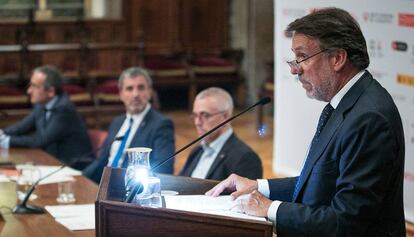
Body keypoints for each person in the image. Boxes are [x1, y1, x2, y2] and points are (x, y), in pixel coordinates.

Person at [206, 8, 405, 237]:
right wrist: (259, 186)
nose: (293, 69)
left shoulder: (369, 118)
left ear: (337, 58)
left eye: (302, 57)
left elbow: (346, 223)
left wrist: (270, 208)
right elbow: (321, 183)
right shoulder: (346, 103)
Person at [83, 67, 175, 183]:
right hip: (103, 186)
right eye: (129, 89)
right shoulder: (117, 122)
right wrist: (79, 177)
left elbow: (164, 170)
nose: (135, 94)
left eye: (141, 88)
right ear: (121, 94)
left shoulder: (161, 124)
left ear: (150, 92)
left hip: (131, 191)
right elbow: (102, 161)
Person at [0, 65, 93, 167]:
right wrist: (2, 133)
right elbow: (21, 127)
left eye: (34, 86)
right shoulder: (41, 105)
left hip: (74, 166)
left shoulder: (64, 109)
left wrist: (6, 141)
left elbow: (41, 140)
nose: (29, 91)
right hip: (53, 163)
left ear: (50, 92)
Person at [179, 87, 262, 180]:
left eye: (205, 115)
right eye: (195, 116)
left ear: (225, 117)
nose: (197, 122)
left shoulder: (245, 158)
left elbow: (245, 194)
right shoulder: (197, 151)